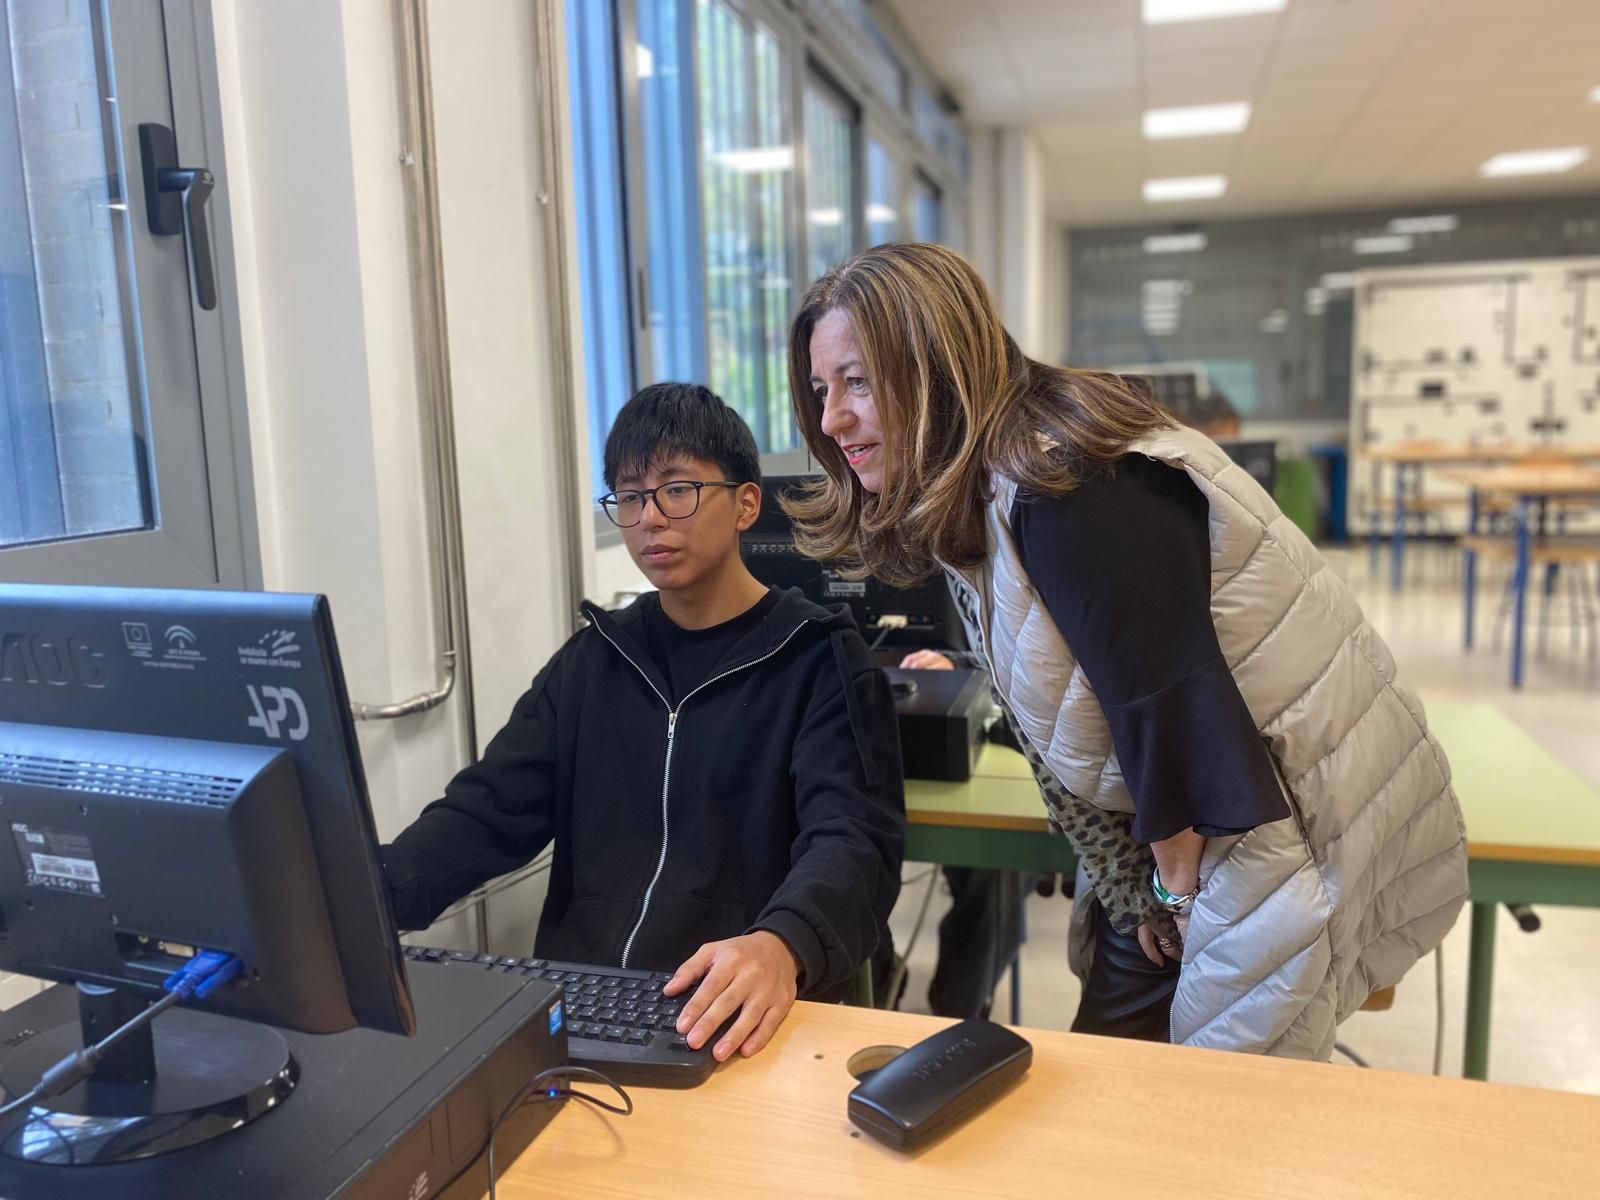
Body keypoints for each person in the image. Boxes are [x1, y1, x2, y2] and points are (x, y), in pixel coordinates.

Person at [783, 242, 1467, 1057]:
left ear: (935, 361)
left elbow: (1180, 732)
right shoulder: (984, 493)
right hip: (1208, 838)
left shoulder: (1064, 483)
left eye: (858, 381)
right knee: (1120, 1080)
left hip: (1274, 831)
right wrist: (1130, 891)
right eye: (823, 390)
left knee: (1183, 1116)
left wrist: (1169, 903)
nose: (831, 420)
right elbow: (1069, 717)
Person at [382, 383, 905, 1062]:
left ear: (747, 504)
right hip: (586, 1011)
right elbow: (484, 812)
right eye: (629, 497)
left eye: (677, 489)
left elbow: (853, 842)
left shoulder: (819, 661)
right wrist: (363, 905)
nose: (650, 518)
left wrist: (783, 942)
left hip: (737, 1017)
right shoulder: (595, 662)